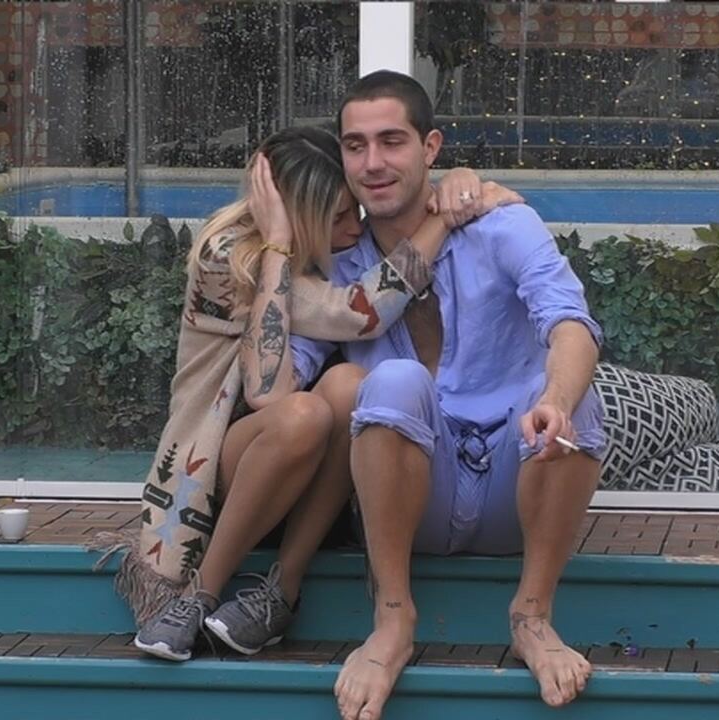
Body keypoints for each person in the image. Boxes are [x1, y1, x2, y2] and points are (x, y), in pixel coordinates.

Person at [113, 125, 524, 662]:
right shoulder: (230, 257)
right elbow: (299, 365)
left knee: (349, 385)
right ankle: (199, 594)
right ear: (295, 218)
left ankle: (280, 592)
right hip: (227, 472)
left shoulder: (340, 254)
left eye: (354, 210)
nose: (355, 227)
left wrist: (460, 187)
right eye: (336, 217)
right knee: (300, 414)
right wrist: (280, 248)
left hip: (326, 483)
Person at [286, 71, 607, 716]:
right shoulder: (338, 267)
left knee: (576, 397)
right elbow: (282, 380)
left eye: (392, 141)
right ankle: (393, 620)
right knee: (392, 381)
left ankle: (532, 617)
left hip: (514, 486)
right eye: (355, 145)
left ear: (430, 147)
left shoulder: (501, 224)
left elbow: (570, 322)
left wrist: (556, 398)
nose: (372, 164)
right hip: (411, 499)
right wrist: (268, 249)